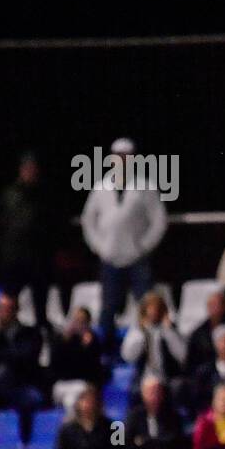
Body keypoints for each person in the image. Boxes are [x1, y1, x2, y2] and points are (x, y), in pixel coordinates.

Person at [81, 137, 168, 345]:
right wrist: (99, 246)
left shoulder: (145, 187)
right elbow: (88, 220)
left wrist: (143, 246)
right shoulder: (100, 188)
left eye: (127, 157)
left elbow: (159, 221)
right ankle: (104, 352)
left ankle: (149, 349)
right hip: (110, 259)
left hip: (137, 259)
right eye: (118, 157)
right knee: (108, 308)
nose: (122, 161)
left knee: (146, 306)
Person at [0, 151, 57, 334]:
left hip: (39, 259)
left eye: (33, 168)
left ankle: (40, 334)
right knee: (9, 299)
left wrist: (49, 249)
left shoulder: (46, 195)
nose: (30, 171)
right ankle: (6, 332)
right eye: (27, 168)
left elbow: (55, 225)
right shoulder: (9, 195)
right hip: (13, 258)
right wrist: (3, 249)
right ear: (21, 170)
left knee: (40, 303)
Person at [0, 292, 45, 416]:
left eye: (8, 309)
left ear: (16, 311)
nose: (4, 313)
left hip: (21, 384)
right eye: (1, 308)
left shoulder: (30, 333)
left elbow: (25, 358)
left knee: (35, 399)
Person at [121, 374, 189, 449]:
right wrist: (157, 444)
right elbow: (126, 443)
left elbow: (175, 443)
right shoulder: (133, 415)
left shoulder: (173, 416)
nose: (154, 396)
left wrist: (144, 442)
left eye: (157, 391)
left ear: (162, 393)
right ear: (142, 393)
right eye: (150, 391)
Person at [120, 290, 187, 398]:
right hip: (144, 378)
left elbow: (182, 355)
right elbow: (128, 357)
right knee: (134, 391)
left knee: (179, 387)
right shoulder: (137, 330)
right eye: (149, 308)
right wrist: (142, 333)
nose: (153, 312)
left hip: (167, 378)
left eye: (156, 308)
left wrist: (169, 332)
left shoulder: (170, 329)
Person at [49, 305, 106, 408]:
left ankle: (71, 423)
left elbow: (94, 369)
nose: (78, 324)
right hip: (62, 384)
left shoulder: (93, 341)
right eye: (76, 320)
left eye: (82, 321)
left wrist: (87, 347)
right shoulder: (62, 339)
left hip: (82, 383)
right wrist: (63, 342)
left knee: (71, 401)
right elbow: (54, 364)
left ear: (88, 323)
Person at [185, 289, 225, 374]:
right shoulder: (198, 334)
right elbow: (191, 364)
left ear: (224, 306)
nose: (215, 308)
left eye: (218, 304)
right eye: (212, 305)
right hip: (206, 376)